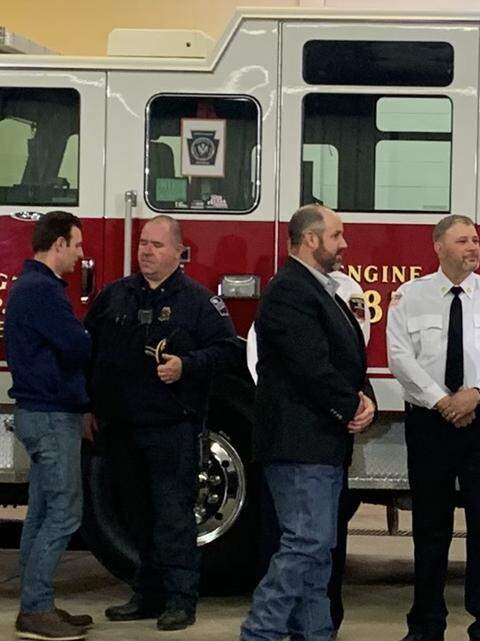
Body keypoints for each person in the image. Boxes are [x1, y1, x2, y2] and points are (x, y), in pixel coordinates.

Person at [86, 215, 241, 632]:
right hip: (121, 428)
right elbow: (90, 353)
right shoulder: (115, 296)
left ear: (178, 251)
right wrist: (87, 406)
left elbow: (228, 351)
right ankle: (147, 593)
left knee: (173, 517)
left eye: (156, 244)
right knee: (134, 516)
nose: (145, 251)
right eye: (142, 243)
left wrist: (186, 367)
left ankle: (180, 599)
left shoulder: (198, 302)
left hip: (172, 427)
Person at [241, 205, 375, 641]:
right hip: (299, 445)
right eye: (337, 236)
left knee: (319, 555)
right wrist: (350, 406)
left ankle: (315, 634)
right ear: (312, 240)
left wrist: (364, 399)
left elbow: (348, 360)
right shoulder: (289, 292)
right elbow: (310, 366)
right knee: (306, 544)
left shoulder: (323, 290)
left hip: (322, 443)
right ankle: (260, 632)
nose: (345, 244)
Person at [387, 214, 480, 641]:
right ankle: (426, 623)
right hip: (430, 422)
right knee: (430, 526)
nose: (473, 248)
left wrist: (475, 394)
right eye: (462, 241)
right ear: (438, 246)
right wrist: (442, 401)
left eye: (476, 240)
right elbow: (399, 357)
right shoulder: (411, 295)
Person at [6, 211, 93, 641]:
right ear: (58, 244)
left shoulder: (31, 287)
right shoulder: (43, 291)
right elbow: (76, 346)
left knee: (40, 513)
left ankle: (37, 602)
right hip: (51, 415)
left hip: (36, 413)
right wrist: (90, 339)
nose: (81, 255)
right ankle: (36, 609)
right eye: (76, 245)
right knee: (64, 512)